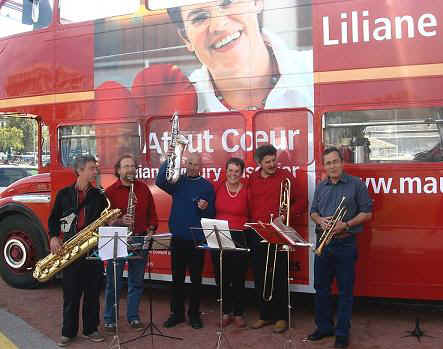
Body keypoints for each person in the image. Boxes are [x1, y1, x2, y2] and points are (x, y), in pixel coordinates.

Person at [167, 0, 313, 113]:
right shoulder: (175, 109)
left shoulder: (321, 72)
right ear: (185, 38)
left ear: (256, 2)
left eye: (227, 2)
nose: (219, 25)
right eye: (199, 17)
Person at [306, 147, 372, 349]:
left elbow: (367, 213)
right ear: (324, 166)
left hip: (345, 243)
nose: (332, 166)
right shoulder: (321, 186)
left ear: (342, 163)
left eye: (335, 162)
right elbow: (313, 211)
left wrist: (347, 224)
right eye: (328, 163)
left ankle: (342, 333)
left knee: (345, 291)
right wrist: (320, 220)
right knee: (321, 289)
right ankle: (324, 327)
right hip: (323, 245)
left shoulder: (356, 185)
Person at [48, 156, 106, 347]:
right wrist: (53, 237)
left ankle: (91, 329)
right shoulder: (64, 194)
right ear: (80, 171)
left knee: (92, 293)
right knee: (71, 294)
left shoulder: (99, 195)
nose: (95, 172)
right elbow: (54, 218)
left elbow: (104, 219)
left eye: (95, 169)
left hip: (92, 250)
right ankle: (68, 332)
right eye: (91, 169)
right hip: (70, 249)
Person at [156, 152, 215, 329]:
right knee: (177, 278)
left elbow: (211, 214)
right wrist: (169, 159)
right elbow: (160, 182)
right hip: (179, 238)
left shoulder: (207, 186)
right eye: (189, 163)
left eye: (196, 164)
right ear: (185, 163)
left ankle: (194, 314)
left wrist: (205, 209)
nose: (192, 167)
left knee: (196, 279)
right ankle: (177, 314)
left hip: (197, 239)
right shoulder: (178, 181)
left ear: (201, 167)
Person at [103, 154, 158, 332]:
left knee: (136, 282)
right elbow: (103, 221)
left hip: (139, 238)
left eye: (133, 166)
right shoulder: (109, 192)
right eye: (126, 166)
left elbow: (152, 214)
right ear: (118, 170)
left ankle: (133, 316)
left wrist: (150, 230)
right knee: (114, 282)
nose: (130, 169)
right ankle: (110, 319)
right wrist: (119, 220)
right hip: (117, 238)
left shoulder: (143, 189)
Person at [248, 144, 297, 333]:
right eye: (267, 161)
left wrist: (285, 216)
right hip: (258, 232)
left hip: (278, 232)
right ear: (259, 163)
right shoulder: (252, 178)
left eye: (273, 160)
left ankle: (281, 317)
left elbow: (301, 201)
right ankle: (264, 315)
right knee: (260, 275)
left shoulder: (285, 176)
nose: (272, 164)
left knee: (279, 276)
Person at [211, 157, 249, 328]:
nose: (233, 174)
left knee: (238, 277)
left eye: (236, 171)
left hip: (240, 235)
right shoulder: (217, 186)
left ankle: (239, 313)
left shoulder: (247, 189)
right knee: (222, 277)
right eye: (230, 171)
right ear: (225, 171)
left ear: (242, 173)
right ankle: (226, 312)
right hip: (219, 234)